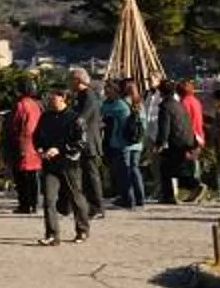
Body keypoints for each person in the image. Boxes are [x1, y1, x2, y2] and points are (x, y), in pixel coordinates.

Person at [36, 89, 92, 244]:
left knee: (76, 198)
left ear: (63, 98)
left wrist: (60, 149)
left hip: (69, 164)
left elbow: (81, 142)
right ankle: (52, 234)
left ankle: (82, 230)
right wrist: (40, 149)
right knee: (49, 199)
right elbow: (37, 136)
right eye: (49, 96)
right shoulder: (45, 117)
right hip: (50, 165)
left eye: (53, 96)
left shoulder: (74, 118)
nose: (50, 99)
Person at [67, 69, 107, 214]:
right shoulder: (79, 96)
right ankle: (88, 205)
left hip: (89, 141)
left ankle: (97, 207)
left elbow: (82, 118)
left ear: (78, 80)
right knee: (85, 175)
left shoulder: (89, 96)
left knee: (92, 175)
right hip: (82, 141)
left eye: (71, 80)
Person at [102, 79, 145, 209]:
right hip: (137, 142)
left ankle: (127, 199)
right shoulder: (139, 103)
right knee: (134, 169)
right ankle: (140, 197)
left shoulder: (119, 104)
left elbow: (102, 111)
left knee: (123, 172)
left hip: (122, 142)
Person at [8, 86, 43, 213]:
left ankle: (25, 204)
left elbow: (14, 125)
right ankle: (34, 204)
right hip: (35, 142)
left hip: (23, 142)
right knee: (33, 175)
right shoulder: (36, 105)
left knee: (21, 176)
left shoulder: (20, 105)